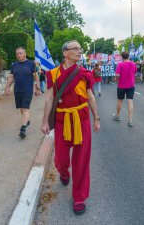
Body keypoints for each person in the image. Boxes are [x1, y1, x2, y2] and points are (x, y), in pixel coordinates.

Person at [40, 40, 100, 215]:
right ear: (65, 53)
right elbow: (49, 99)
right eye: (75, 49)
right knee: (61, 158)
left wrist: (96, 118)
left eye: (80, 49)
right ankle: (64, 173)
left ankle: (79, 197)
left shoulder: (84, 73)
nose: (79, 51)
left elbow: (91, 98)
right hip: (62, 120)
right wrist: (44, 121)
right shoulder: (53, 73)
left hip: (81, 120)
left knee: (81, 160)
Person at [5, 47, 41, 138]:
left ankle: (23, 128)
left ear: (25, 54)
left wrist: (37, 88)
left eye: (21, 53)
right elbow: (11, 77)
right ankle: (27, 121)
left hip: (28, 90)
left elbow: (36, 76)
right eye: (17, 53)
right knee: (21, 108)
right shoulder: (14, 65)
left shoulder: (31, 64)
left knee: (25, 108)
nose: (19, 55)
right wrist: (7, 87)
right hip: (17, 90)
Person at [113, 51, 137, 127]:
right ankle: (130, 120)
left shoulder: (120, 64)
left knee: (120, 101)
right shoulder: (133, 64)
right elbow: (135, 73)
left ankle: (117, 116)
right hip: (131, 85)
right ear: (128, 56)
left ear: (122, 57)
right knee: (130, 102)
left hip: (121, 86)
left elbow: (117, 75)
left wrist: (116, 79)